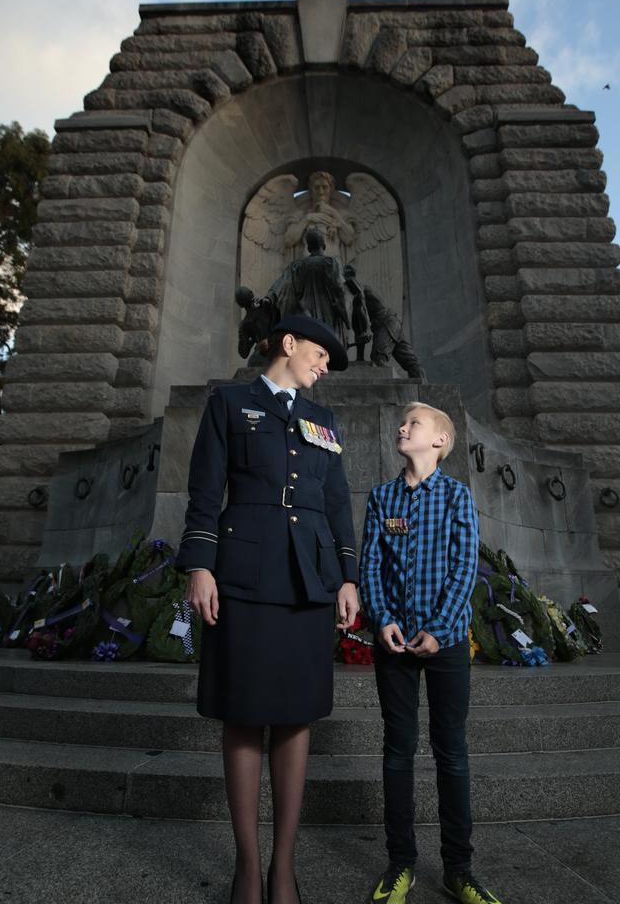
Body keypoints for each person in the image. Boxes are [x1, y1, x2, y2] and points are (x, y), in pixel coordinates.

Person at [177, 315, 360, 904]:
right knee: (242, 712)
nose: (325, 365)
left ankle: (284, 868)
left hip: (309, 579)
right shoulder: (229, 404)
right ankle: (247, 870)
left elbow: (337, 502)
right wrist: (200, 566)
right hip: (245, 574)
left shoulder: (323, 420)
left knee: (294, 715)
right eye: (320, 353)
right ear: (288, 344)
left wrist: (348, 577)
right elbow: (206, 491)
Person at [359, 403, 503, 904]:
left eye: (414, 424)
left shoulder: (458, 497)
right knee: (398, 752)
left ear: (439, 441)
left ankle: (458, 869)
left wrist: (440, 631)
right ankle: (401, 864)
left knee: (452, 753)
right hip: (395, 644)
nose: (402, 427)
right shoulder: (381, 499)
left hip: (447, 645)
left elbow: (465, 569)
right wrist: (383, 620)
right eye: (401, 422)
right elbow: (370, 567)